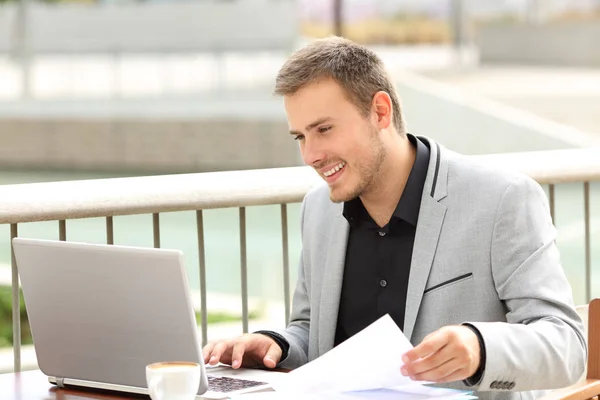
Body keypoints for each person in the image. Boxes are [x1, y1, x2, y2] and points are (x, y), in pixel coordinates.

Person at [202, 36, 586, 399]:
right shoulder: (318, 210)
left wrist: (480, 347)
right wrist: (276, 346)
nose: (311, 155)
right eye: (301, 136)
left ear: (380, 112)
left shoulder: (503, 199)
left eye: (324, 129)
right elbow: (310, 332)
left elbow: (567, 345)